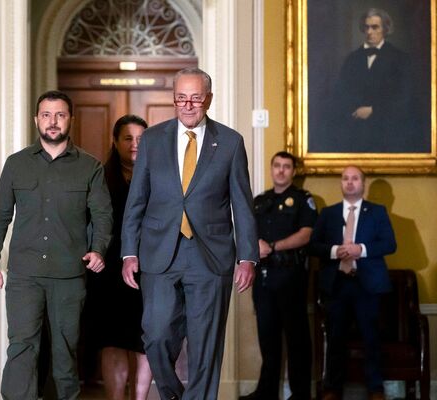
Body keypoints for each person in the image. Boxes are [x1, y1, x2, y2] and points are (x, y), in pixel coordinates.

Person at [121, 67, 259, 400]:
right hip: (159, 252)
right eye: (181, 98)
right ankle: (172, 395)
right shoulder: (152, 139)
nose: (188, 105)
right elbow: (136, 199)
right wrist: (129, 251)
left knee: (205, 343)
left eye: (195, 98)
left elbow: (242, 203)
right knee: (155, 334)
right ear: (173, 100)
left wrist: (248, 256)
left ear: (208, 99)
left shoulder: (229, 142)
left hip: (210, 255)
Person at [0, 90, 112, 400]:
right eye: (46, 115)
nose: (52, 122)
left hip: (69, 276)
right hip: (24, 274)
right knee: (23, 347)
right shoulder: (16, 164)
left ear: (70, 120)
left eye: (60, 115)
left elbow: (103, 214)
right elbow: (0, 216)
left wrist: (98, 249)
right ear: (36, 119)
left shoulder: (90, 167)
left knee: (64, 352)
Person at [309, 166, 396, 400]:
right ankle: (332, 389)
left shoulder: (377, 212)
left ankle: (375, 388)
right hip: (337, 284)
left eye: (354, 178)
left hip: (367, 285)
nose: (349, 182)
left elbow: (390, 244)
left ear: (363, 183)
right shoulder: (328, 213)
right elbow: (313, 245)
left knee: (371, 337)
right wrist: (336, 250)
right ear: (341, 183)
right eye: (345, 178)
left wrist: (362, 250)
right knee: (335, 338)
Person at [83, 115, 152, 400]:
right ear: (115, 141)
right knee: (111, 342)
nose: (135, 145)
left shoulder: (160, 175)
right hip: (108, 273)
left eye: (140, 139)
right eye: (127, 138)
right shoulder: (99, 176)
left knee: (146, 342)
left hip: (149, 271)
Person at [241, 151, 316, 400]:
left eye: (286, 166)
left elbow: (307, 234)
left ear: (293, 171)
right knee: (268, 338)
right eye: (277, 166)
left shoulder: (303, 199)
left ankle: (300, 393)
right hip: (263, 279)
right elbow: (246, 231)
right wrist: (255, 246)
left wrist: (273, 247)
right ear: (271, 169)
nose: (281, 170)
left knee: (297, 340)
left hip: (291, 276)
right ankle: (267, 392)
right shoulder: (260, 201)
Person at [326, 8, 418, 153]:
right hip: (355, 135)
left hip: (387, 135)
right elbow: (340, 94)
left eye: (375, 27)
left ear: (385, 29)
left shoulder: (400, 58)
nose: (369, 32)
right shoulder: (352, 59)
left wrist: (373, 110)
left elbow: (404, 98)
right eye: (366, 27)